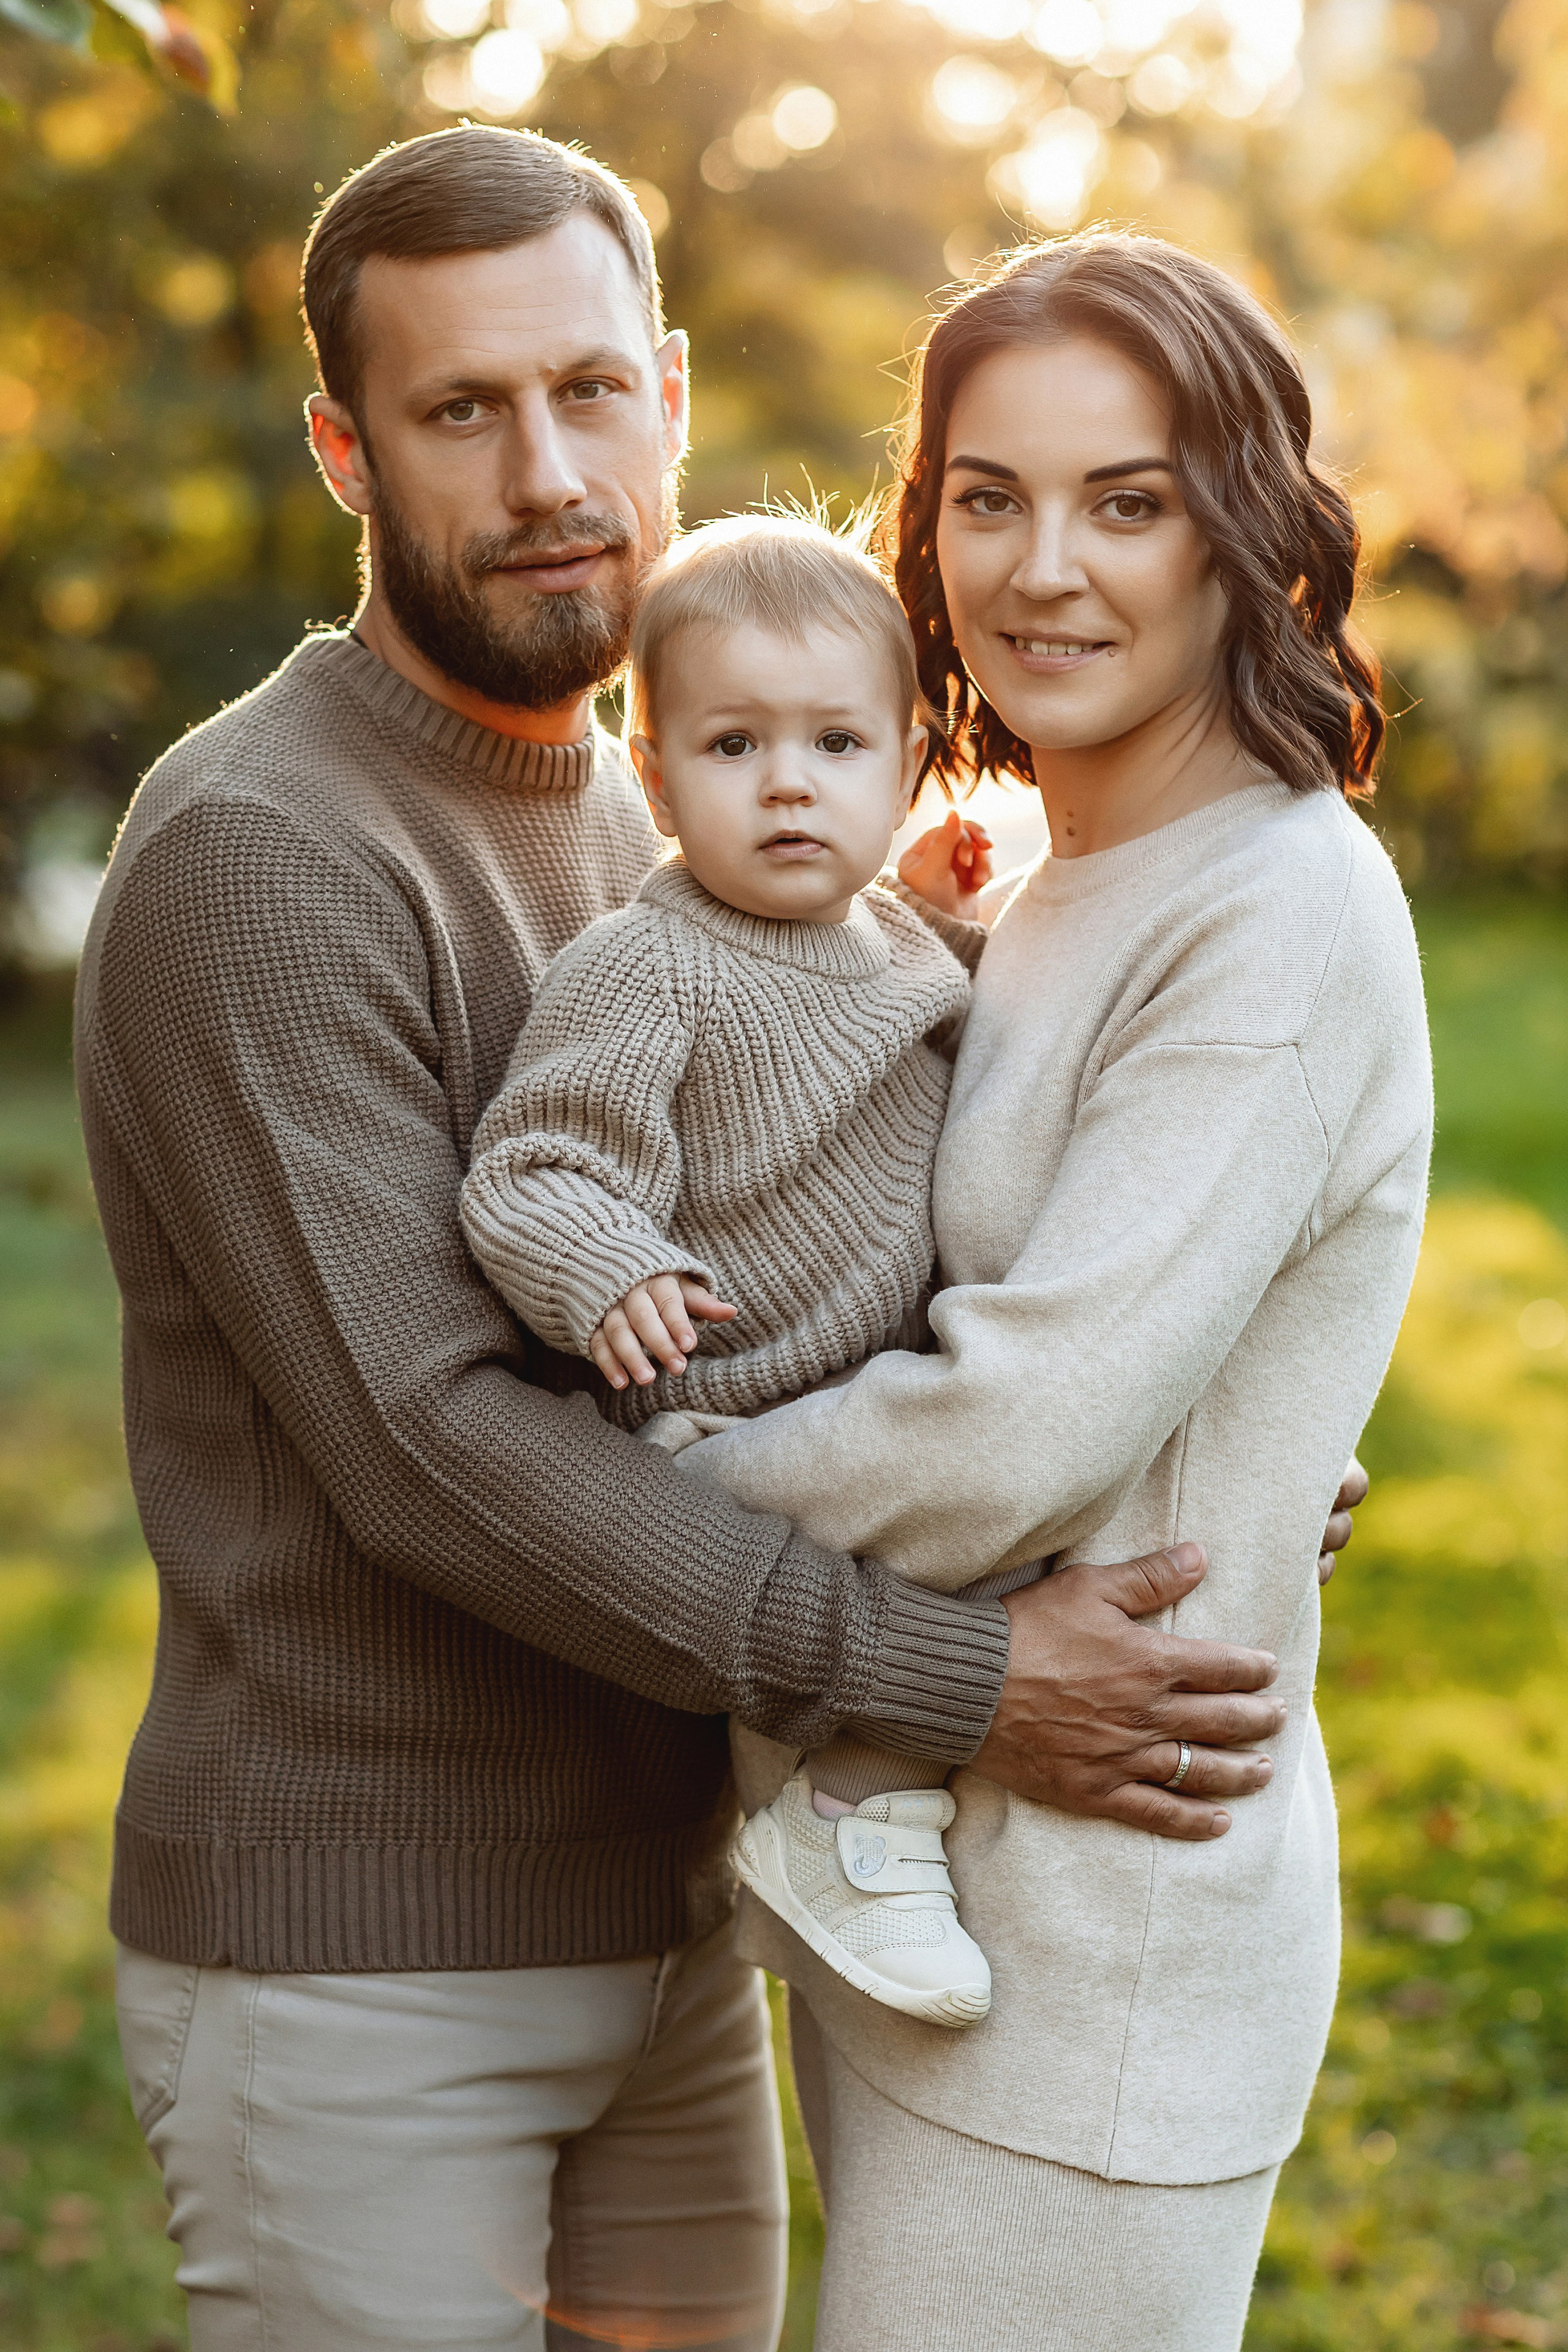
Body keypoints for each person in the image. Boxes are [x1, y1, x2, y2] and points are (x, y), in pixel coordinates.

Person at [74, 126, 1356, 2352]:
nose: (547, 472)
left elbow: (861, 1223)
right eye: (460, 410)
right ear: (347, 451)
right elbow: (432, 1444)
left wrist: (1180, 1451)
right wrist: (962, 1675)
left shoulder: (676, 803)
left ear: (668, 395)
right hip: (371, 1956)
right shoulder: (264, 851)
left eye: (588, 390)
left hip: (676, 1910)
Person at [667, 236, 1433, 2352]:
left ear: (1237, 529)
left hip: (1105, 1954)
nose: (1044, 569)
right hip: (930, 1892)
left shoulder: (1278, 907)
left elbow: (1021, 1415)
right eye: (988, 498)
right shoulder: (1042, 873)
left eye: (1129, 500)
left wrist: (630, 1508)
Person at [459, 512, 1002, 2026]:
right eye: (731, 745)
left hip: (873, 1390)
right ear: (653, 779)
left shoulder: (893, 941)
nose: (786, 784)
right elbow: (532, 1165)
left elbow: (982, 1032)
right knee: (986, 1507)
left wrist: (945, 904)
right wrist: (606, 1265)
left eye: (834, 743)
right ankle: (843, 1818)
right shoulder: (647, 964)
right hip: (731, 1421)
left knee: (1054, 1478)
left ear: (905, 761)